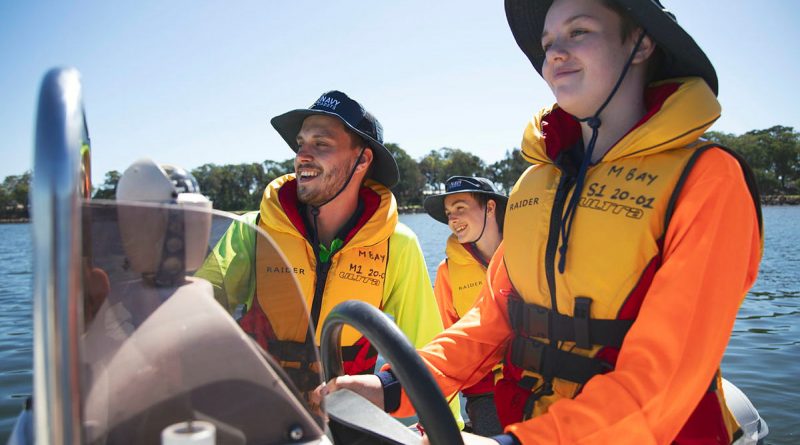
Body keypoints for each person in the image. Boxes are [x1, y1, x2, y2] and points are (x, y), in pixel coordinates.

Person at [319, 1, 763, 444]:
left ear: (641, 42)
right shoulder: (537, 182)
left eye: (579, 32)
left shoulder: (709, 179)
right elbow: (492, 318)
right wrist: (395, 385)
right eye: (548, 42)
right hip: (522, 428)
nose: (554, 53)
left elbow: (665, 375)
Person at [196, 90, 462, 424]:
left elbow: (427, 347)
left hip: (345, 420)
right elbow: (196, 308)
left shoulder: (398, 244)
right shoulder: (255, 228)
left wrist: (446, 429)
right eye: (300, 143)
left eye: (320, 144)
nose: (302, 156)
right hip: (256, 411)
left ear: (362, 160)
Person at [423, 176, 508, 436]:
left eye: (460, 208)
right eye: (449, 213)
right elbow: (443, 341)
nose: (452, 219)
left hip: (536, 383)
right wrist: (433, 415)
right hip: (484, 395)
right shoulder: (447, 272)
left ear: (490, 208)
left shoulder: (528, 253)